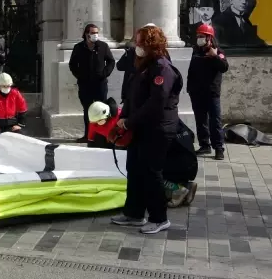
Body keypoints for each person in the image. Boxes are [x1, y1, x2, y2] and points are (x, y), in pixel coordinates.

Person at [110, 24, 182, 235]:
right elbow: (133, 97)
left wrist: (130, 121)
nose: (136, 46)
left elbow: (155, 103)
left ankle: (159, 218)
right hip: (141, 128)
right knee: (135, 169)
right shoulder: (143, 66)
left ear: (151, 44)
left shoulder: (162, 68)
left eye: (140, 42)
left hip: (158, 128)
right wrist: (123, 117)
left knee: (151, 173)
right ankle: (134, 213)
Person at [88, 99, 198, 208]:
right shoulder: (157, 116)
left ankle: (178, 190)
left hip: (179, 159)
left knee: (148, 173)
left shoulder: (134, 118)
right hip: (181, 157)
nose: (99, 125)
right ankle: (186, 185)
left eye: (101, 122)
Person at [187, 23, 229, 160]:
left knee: (215, 121)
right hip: (196, 93)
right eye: (198, 36)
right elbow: (191, 71)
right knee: (200, 121)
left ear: (209, 37)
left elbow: (224, 67)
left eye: (202, 36)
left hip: (212, 93)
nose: (199, 38)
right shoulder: (196, 51)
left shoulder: (218, 52)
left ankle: (219, 148)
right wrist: (190, 89)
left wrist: (214, 56)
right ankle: (205, 145)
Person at [69, 24, 115, 143]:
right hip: (85, 85)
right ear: (86, 34)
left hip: (100, 84)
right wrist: (80, 75)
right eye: (93, 33)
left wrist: (105, 73)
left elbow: (111, 61)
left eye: (96, 33)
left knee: (102, 109)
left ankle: (103, 135)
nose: (95, 35)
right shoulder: (78, 47)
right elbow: (72, 64)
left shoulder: (103, 46)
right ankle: (88, 135)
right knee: (88, 110)